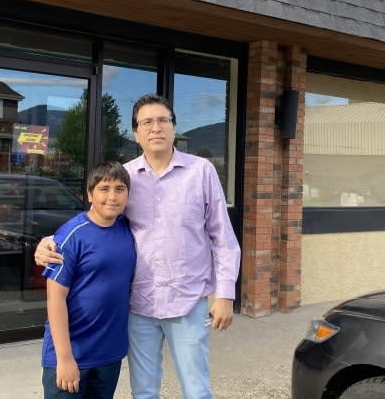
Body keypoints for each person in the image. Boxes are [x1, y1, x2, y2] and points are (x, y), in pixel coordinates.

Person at [36, 93, 241, 399]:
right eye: (147, 122)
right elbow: (99, 219)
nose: (155, 127)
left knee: (196, 390)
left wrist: (224, 293)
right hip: (139, 306)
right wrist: (50, 241)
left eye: (162, 120)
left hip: (187, 301)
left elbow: (222, 237)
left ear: (173, 127)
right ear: (136, 133)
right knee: (143, 392)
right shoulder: (126, 177)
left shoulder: (202, 172)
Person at [41, 161, 137, 399]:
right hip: (71, 355)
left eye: (119, 189)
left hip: (109, 355)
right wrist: (64, 358)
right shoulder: (70, 236)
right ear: (90, 194)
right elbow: (55, 299)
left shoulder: (128, 229)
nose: (112, 196)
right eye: (104, 189)